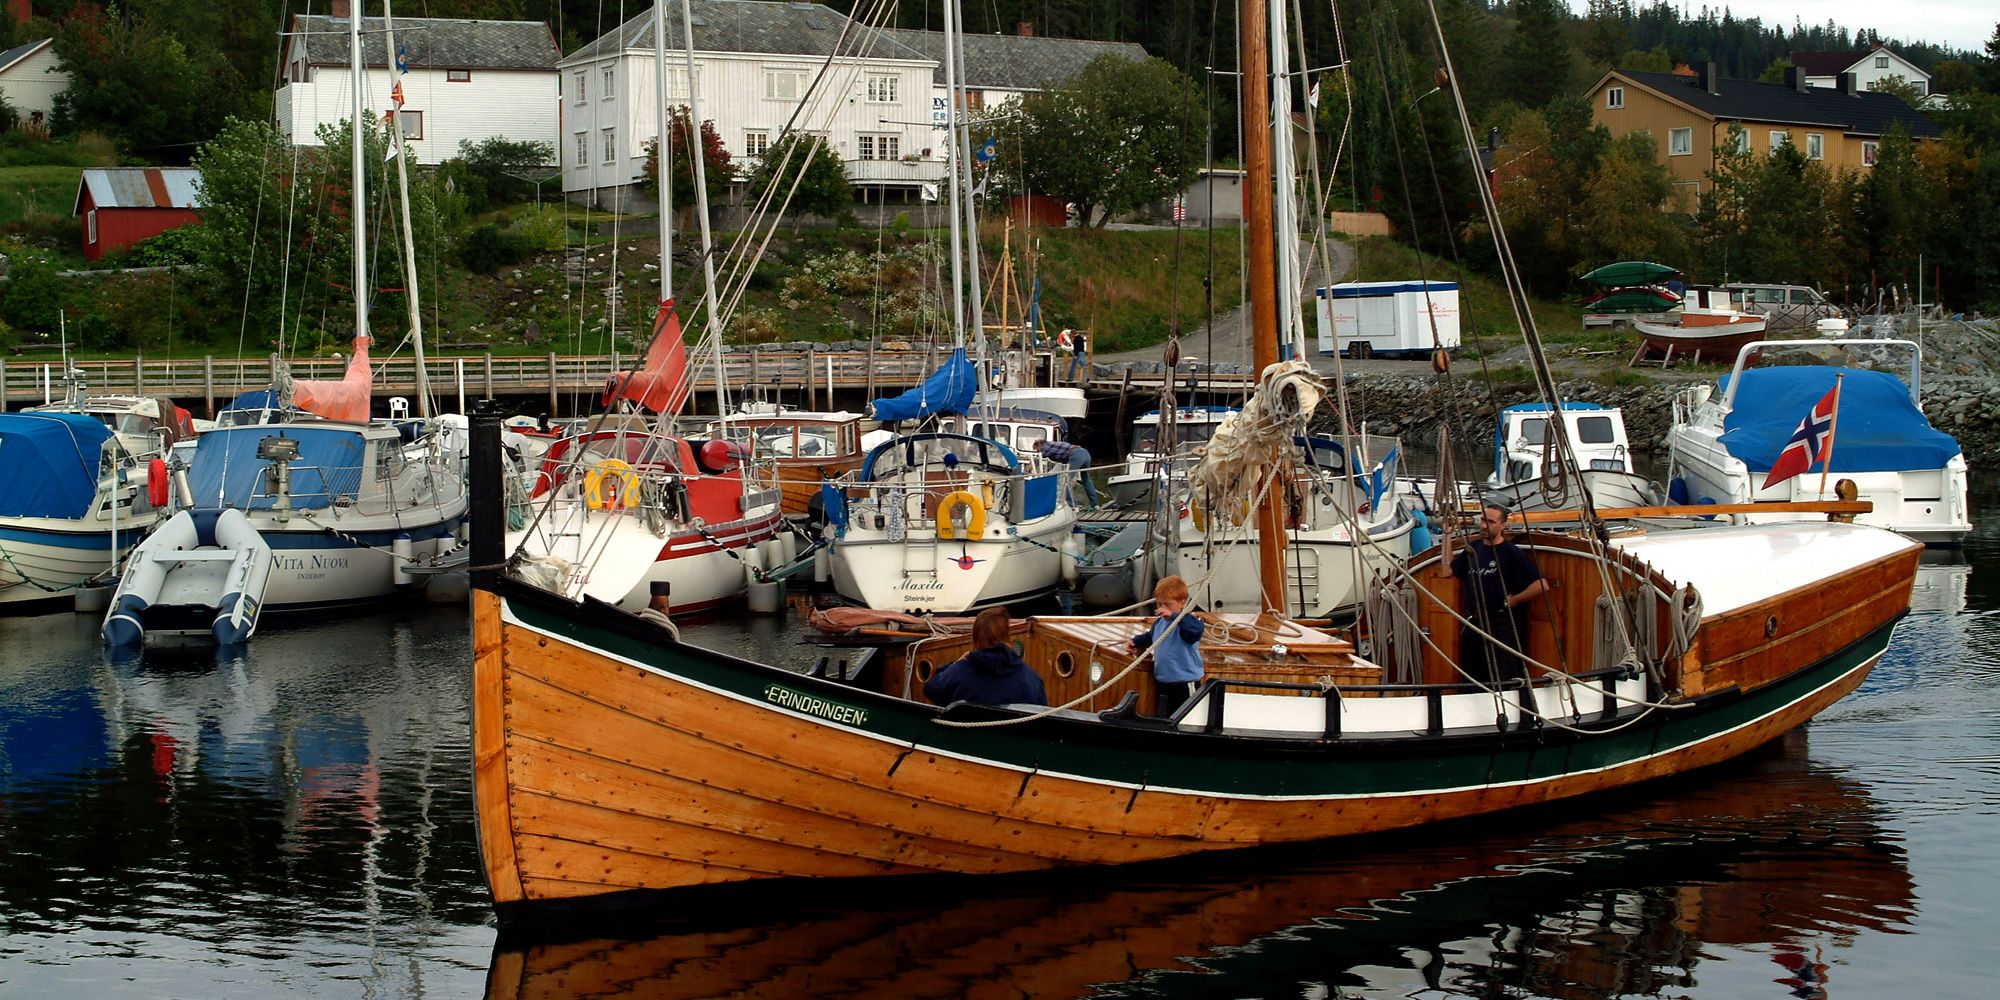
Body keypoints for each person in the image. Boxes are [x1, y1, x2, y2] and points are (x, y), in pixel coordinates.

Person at [1450, 502, 1547, 688]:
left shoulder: (1511, 553)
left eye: (1491, 522)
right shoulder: (1474, 549)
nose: (1485, 525)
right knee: (1471, 677)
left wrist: (1515, 600)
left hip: (1501, 626)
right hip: (1474, 624)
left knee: (1502, 676)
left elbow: (1541, 585)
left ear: (1503, 526)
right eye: (1483, 520)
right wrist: (1447, 536)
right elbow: (1449, 570)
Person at [924, 607, 1047, 707]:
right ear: (1006, 637)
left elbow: (931, 690)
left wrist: (955, 663)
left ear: (976, 639)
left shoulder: (958, 672)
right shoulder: (1031, 678)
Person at [1127, 575, 1206, 717]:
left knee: (1184, 718)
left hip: (1184, 682)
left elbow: (1196, 630)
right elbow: (1152, 637)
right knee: (1165, 716)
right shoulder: (1160, 623)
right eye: (1159, 604)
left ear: (1182, 603)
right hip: (1164, 681)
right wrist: (1135, 641)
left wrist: (1174, 616)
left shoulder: (1186, 622)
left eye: (1168, 605)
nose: (1162, 609)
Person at [1038, 437, 1100, 508]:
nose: (1037, 451)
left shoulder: (1046, 445)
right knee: (1086, 480)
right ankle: (1095, 504)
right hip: (1086, 454)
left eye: (1036, 449)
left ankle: (1072, 505)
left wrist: (1028, 468)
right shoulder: (1056, 447)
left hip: (1077, 455)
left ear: (1039, 445)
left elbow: (1041, 455)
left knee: (1066, 480)